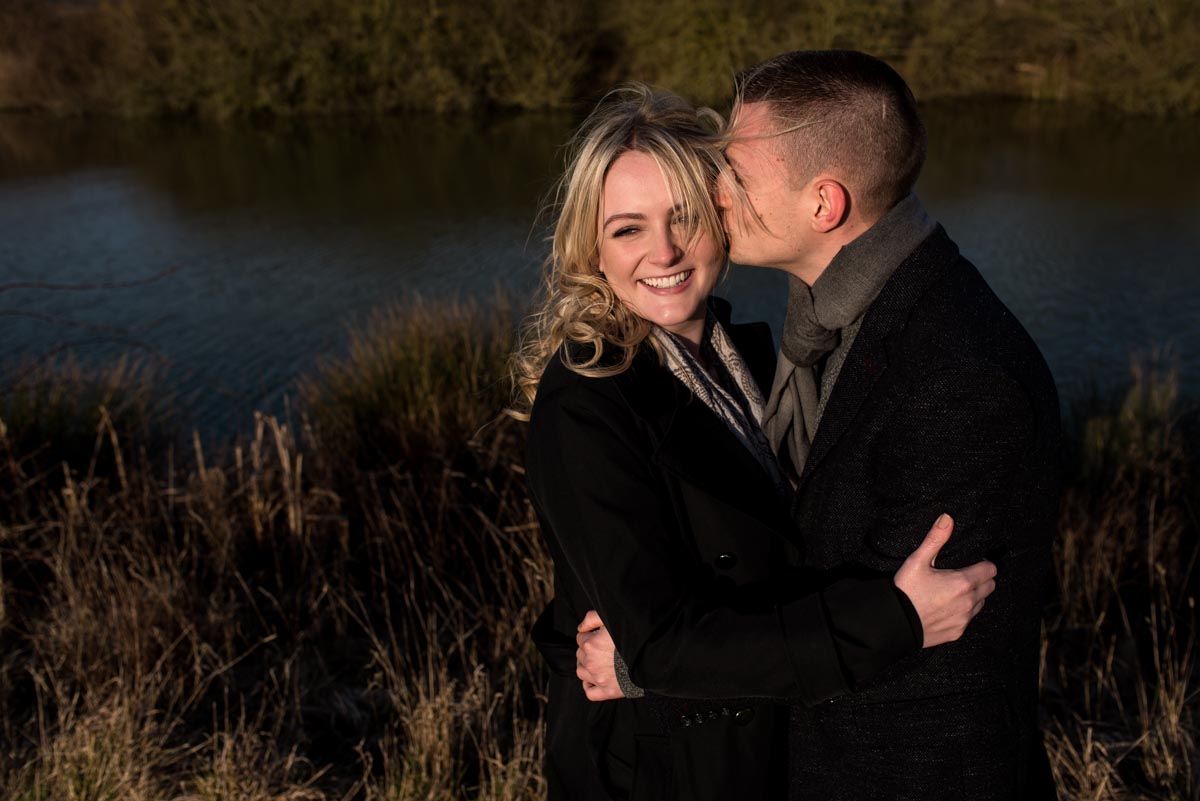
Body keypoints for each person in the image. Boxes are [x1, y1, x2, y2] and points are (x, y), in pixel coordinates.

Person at [575, 52, 1061, 800]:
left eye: (734, 178)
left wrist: (653, 664)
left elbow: (882, 619)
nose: (715, 195)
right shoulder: (824, 326)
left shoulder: (959, 373)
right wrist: (665, 648)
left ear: (824, 205)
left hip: (909, 773)